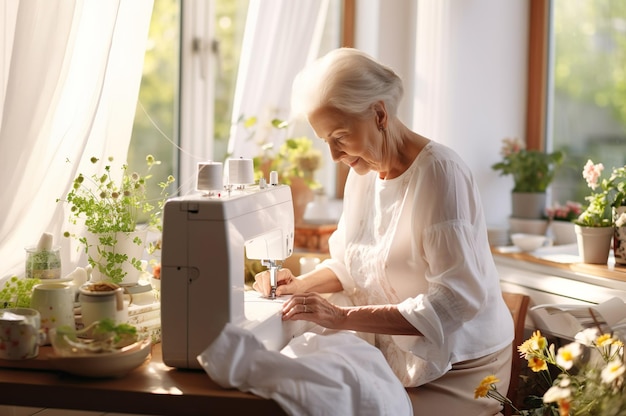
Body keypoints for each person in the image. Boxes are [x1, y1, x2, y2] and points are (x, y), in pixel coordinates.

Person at [253, 47, 514, 415]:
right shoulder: (364, 175)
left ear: (378, 114)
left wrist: (339, 317)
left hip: (462, 368)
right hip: (397, 359)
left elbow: (456, 299)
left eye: (339, 137)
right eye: (325, 140)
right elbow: (348, 265)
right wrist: (300, 285)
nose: (333, 155)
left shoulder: (440, 174)